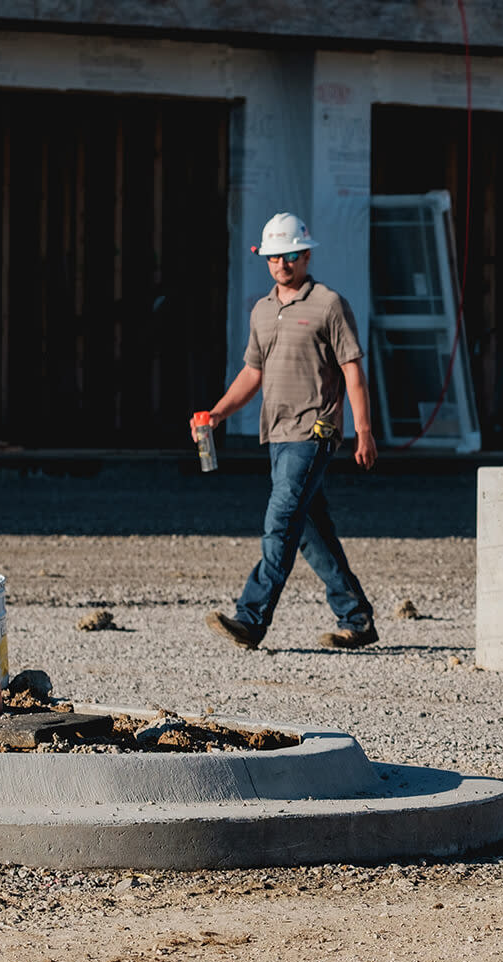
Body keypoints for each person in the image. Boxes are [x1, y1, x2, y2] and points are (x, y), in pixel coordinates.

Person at [199, 211, 379, 651]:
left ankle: (251, 618)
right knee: (312, 533)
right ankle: (356, 619)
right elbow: (251, 373)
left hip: (314, 432)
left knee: (279, 522)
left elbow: (352, 371)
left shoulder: (329, 305)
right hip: (276, 435)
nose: (283, 264)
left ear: (306, 254)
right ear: (264, 259)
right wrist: (219, 412)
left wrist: (364, 429)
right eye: (274, 257)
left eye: (292, 255)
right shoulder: (261, 311)